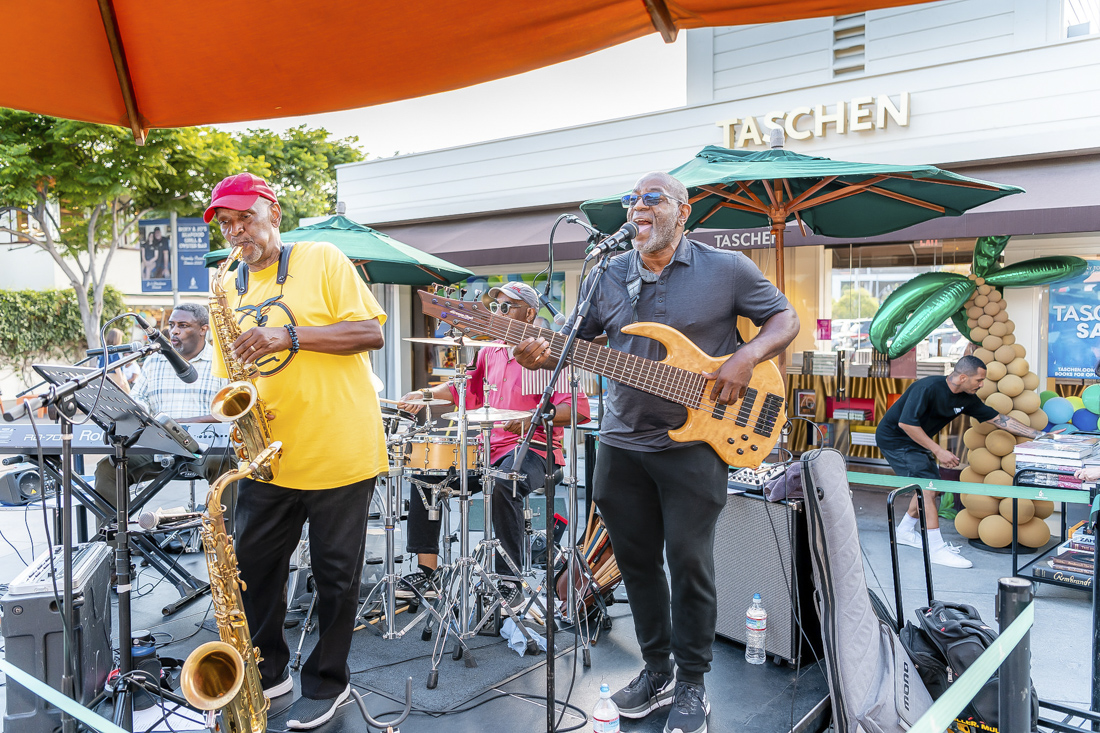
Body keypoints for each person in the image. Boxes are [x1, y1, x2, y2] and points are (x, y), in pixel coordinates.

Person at [515, 172, 799, 733]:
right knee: (636, 566)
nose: (638, 208)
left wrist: (746, 358)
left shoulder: (727, 269)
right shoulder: (606, 274)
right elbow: (570, 343)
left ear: (682, 211)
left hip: (697, 442)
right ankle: (656, 671)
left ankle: (693, 684)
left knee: (689, 564)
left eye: (652, 199)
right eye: (631, 201)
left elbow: (784, 319)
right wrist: (537, 355)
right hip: (621, 444)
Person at [205, 172, 388, 730]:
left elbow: (370, 332)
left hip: (340, 449)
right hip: (268, 456)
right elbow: (228, 377)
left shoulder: (323, 258)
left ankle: (328, 682)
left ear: (273, 214)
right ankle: (271, 671)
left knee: (336, 577)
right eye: (227, 223)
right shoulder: (226, 290)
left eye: (246, 219)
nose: (238, 233)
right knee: (253, 570)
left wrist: (291, 336)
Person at [396, 281, 590, 608]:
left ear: (530, 313)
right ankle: (428, 575)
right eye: (496, 306)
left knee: (503, 480)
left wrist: (532, 418)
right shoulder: (490, 350)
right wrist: (423, 394)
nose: (500, 312)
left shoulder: (550, 353)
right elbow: (462, 389)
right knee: (425, 475)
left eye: (508, 306)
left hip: (538, 451)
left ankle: (508, 579)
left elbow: (579, 409)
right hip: (490, 449)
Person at [876, 354, 1044, 568]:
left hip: (918, 441)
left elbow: (1000, 420)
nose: (982, 385)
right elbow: (906, 424)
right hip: (896, 439)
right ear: (963, 377)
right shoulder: (927, 387)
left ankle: (905, 532)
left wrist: (1039, 435)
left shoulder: (967, 398)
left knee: (932, 487)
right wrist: (939, 451)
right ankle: (935, 549)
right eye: (979, 380)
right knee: (927, 488)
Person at [91, 305, 228, 529]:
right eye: (172, 325)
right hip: (158, 446)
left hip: (204, 448)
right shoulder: (154, 360)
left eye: (183, 326)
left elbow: (228, 413)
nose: (174, 331)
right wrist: (131, 413)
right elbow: (139, 399)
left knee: (226, 465)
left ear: (204, 329)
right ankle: (114, 547)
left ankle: (228, 543)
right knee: (108, 468)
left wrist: (182, 424)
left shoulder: (220, 362)